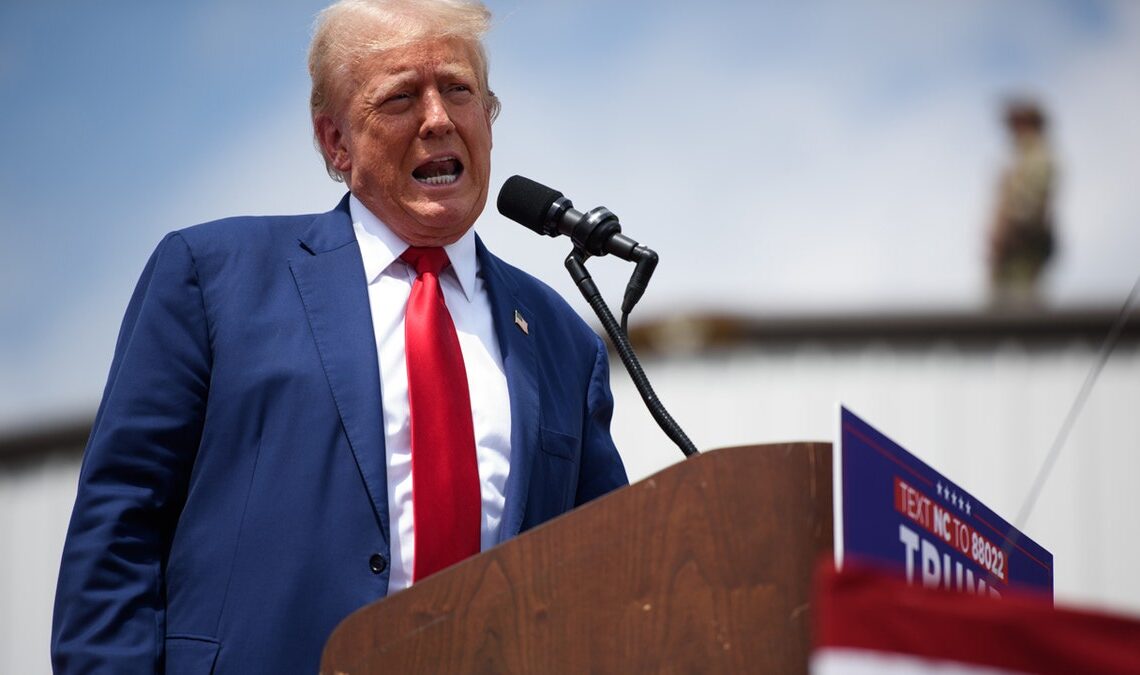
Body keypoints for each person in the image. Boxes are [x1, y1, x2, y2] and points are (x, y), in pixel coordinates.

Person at [51, 0, 628, 672]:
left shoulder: (563, 339)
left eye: (459, 90)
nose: (438, 118)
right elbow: (119, 526)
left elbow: (607, 572)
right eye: (401, 97)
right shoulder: (214, 278)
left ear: (489, 119)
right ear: (336, 143)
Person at [988, 99, 1057, 306]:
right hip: (1010, 251)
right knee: (1003, 308)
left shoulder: (1039, 157)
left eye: (1018, 123)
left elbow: (1028, 208)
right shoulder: (1022, 159)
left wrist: (1006, 233)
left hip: (1021, 247)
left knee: (1021, 305)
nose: (1013, 130)